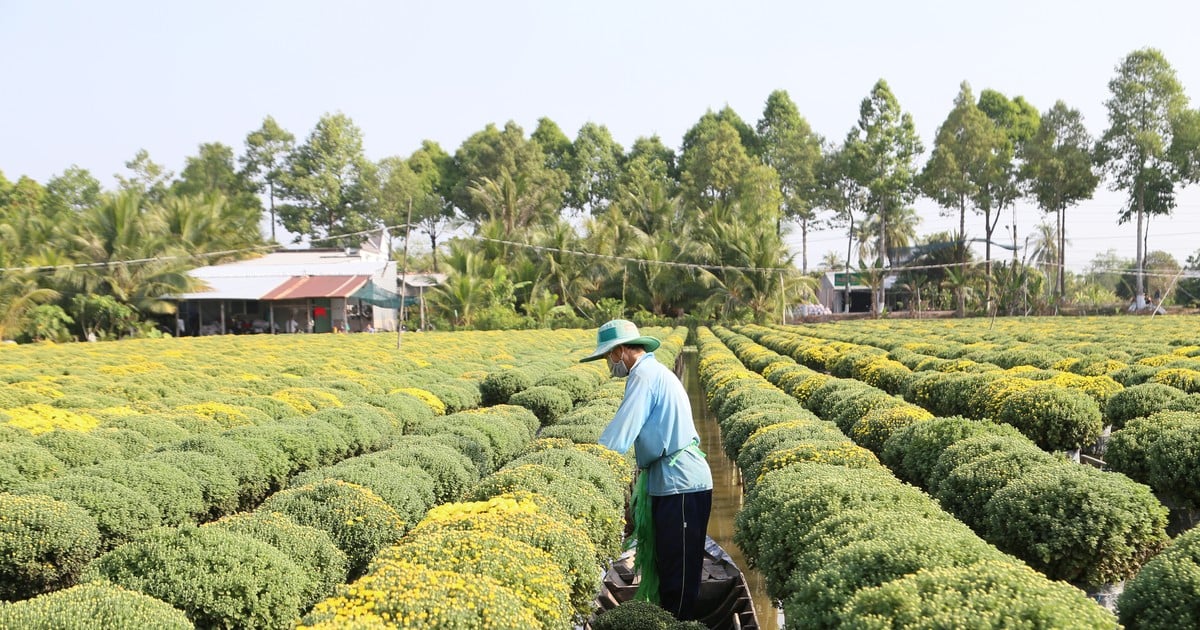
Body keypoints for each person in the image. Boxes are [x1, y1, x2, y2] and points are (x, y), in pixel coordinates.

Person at [581, 319, 713, 620]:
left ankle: (677, 625)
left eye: (607, 356)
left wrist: (594, 460)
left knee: (678, 580)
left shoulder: (644, 375)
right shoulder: (649, 372)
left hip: (682, 485)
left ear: (623, 351)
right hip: (670, 482)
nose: (608, 363)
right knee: (671, 568)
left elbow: (622, 432)